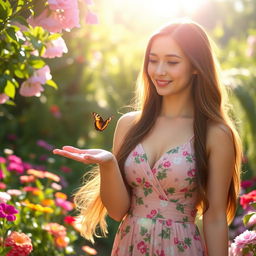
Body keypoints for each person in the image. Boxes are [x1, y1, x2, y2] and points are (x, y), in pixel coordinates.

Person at [53, 18, 242, 256]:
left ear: (196, 66)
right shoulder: (129, 124)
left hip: (181, 249)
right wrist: (108, 164)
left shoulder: (215, 134)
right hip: (128, 246)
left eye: (172, 62)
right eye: (153, 60)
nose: (159, 71)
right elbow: (117, 211)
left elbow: (214, 218)